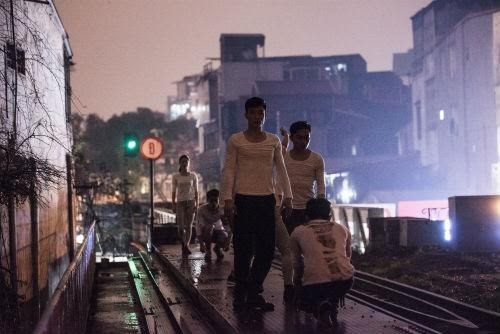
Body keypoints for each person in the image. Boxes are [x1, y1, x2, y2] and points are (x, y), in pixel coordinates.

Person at [221, 96, 293, 312]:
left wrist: (288, 196)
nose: (257, 117)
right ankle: (241, 295)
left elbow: (281, 169)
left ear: (264, 115)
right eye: (253, 113)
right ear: (246, 115)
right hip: (243, 199)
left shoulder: (273, 141)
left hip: (266, 200)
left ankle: (253, 291)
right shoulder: (236, 141)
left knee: (267, 250)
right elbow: (229, 170)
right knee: (243, 250)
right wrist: (227, 199)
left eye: (260, 113)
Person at [290, 198, 354, 328]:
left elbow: (297, 264)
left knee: (304, 298)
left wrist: (297, 284)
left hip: (315, 285)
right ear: (329, 216)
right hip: (345, 281)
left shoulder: (298, 232)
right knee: (335, 281)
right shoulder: (343, 229)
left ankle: (321, 306)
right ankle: (333, 303)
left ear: (306, 215)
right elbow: (347, 256)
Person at [282, 121, 326, 234]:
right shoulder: (284, 158)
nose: (303, 141)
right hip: (287, 209)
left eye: (307, 138)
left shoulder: (316, 159)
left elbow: (321, 185)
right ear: (292, 138)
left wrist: (320, 207)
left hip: (308, 210)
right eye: (299, 137)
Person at [172, 154, 198, 256]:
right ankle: (184, 244)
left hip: (191, 202)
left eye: (186, 161)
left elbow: (196, 191)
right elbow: (174, 192)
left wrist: (196, 203)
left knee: (189, 226)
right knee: (180, 227)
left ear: (188, 163)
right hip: (180, 203)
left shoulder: (193, 175)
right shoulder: (176, 176)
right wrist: (173, 204)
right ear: (180, 163)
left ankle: (185, 245)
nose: (185, 163)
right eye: (183, 161)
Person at [196, 189, 229, 262]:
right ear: (207, 200)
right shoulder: (201, 210)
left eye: (216, 201)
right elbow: (198, 228)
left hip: (219, 232)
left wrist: (228, 242)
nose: (213, 204)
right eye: (211, 201)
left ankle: (217, 249)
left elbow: (228, 226)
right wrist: (201, 244)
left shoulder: (222, 210)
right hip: (206, 232)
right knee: (209, 227)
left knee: (225, 237)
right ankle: (208, 251)